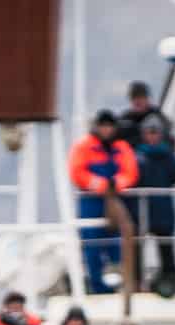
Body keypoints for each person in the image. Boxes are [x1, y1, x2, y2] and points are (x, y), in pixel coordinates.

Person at [67, 111, 138, 294]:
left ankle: (116, 283)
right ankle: (96, 285)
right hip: (91, 203)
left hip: (116, 203)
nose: (106, 129)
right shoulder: (84, 147)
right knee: (92, 245)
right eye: (103, 125)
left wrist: (118, 183)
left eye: (109, 126)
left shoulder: (121, 147)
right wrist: (101, 185)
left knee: (116, 245)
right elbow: (77, 172)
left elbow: (130, 172)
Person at [128, 113, 175, 297]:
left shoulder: (167, 156)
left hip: (162, 209)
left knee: (166, 246)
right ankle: (136, 281)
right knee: (137, 246)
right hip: (141, 209)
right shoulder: (137, 156)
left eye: (155, 132)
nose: (152, 136)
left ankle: (169, 277)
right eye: (149, 132)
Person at [116, 80, 165, 148]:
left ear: (147, 99)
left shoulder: (159, 119)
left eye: (141, 97)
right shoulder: (124, 120)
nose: (138, 101)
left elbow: (167, 141)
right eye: (134, 97)